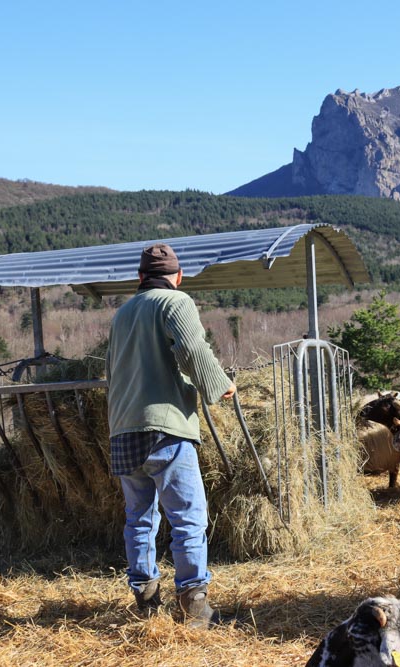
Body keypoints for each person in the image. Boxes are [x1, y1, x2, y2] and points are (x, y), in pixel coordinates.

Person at [106, 242, 236, 628]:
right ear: (177, 277)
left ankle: (146, 602)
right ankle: (195, 607)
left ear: (140, 278)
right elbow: (192, 349)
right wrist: (220, 385)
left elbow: (111, 375)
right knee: (188, 518)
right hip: (164, 428)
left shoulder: (122, 314)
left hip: (123, 430)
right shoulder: (175, 303)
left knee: (139, 519)